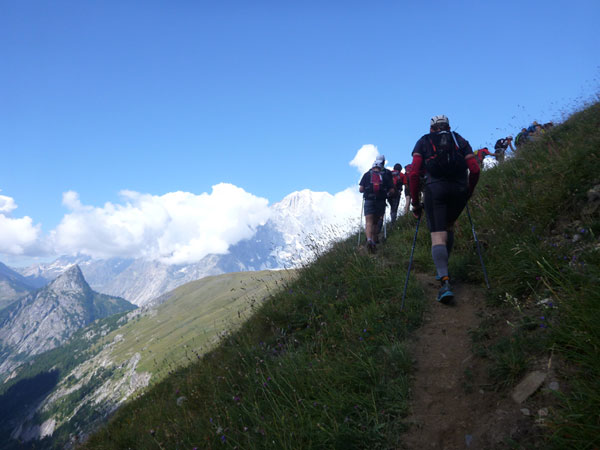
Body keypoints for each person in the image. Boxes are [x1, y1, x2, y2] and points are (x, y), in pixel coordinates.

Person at [408, 115, 480, 303]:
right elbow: (474, 169)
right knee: (449, 226)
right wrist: (469, 191)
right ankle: (443, 269)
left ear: (432, 128)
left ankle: (445, 281)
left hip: (435, 190)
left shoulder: (424, 141)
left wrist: (415, 203)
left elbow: (414, 173)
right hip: (459, 190)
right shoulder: (460, 140)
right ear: (448, 127)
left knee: (438, 235)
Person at [359, 155, 395, 252]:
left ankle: (369, 240)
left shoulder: (367, 175)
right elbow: (392, 190)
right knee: (375, 222)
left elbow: (361, 189)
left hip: (369, 200)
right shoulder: (385, 175)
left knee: (368, 222)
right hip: (380, 201)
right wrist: (387, 194)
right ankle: (374, 242)